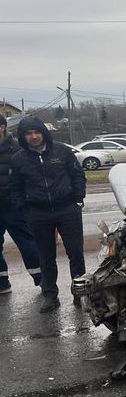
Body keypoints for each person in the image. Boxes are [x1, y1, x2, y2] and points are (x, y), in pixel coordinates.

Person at [10, 117, 87, 313]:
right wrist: (25, 210)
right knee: (45, 257)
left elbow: (78, 175)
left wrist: (78, 199)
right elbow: (15, 187)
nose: (34, 137)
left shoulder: (61, 151)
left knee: (76, 254)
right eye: (28, 134)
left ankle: (80, 293)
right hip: (38, 213)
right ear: (23, 136)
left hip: (67, 209)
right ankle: (50, 296)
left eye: (37, 132)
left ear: (44, 132)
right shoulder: (18, 159)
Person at [0, 116, 43, 294]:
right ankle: (2, 283)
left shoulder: (16, 148)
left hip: (13, 206)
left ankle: (42, 280)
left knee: (27, 243)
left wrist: (22, 201)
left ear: (2, 127)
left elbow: (28, 176)